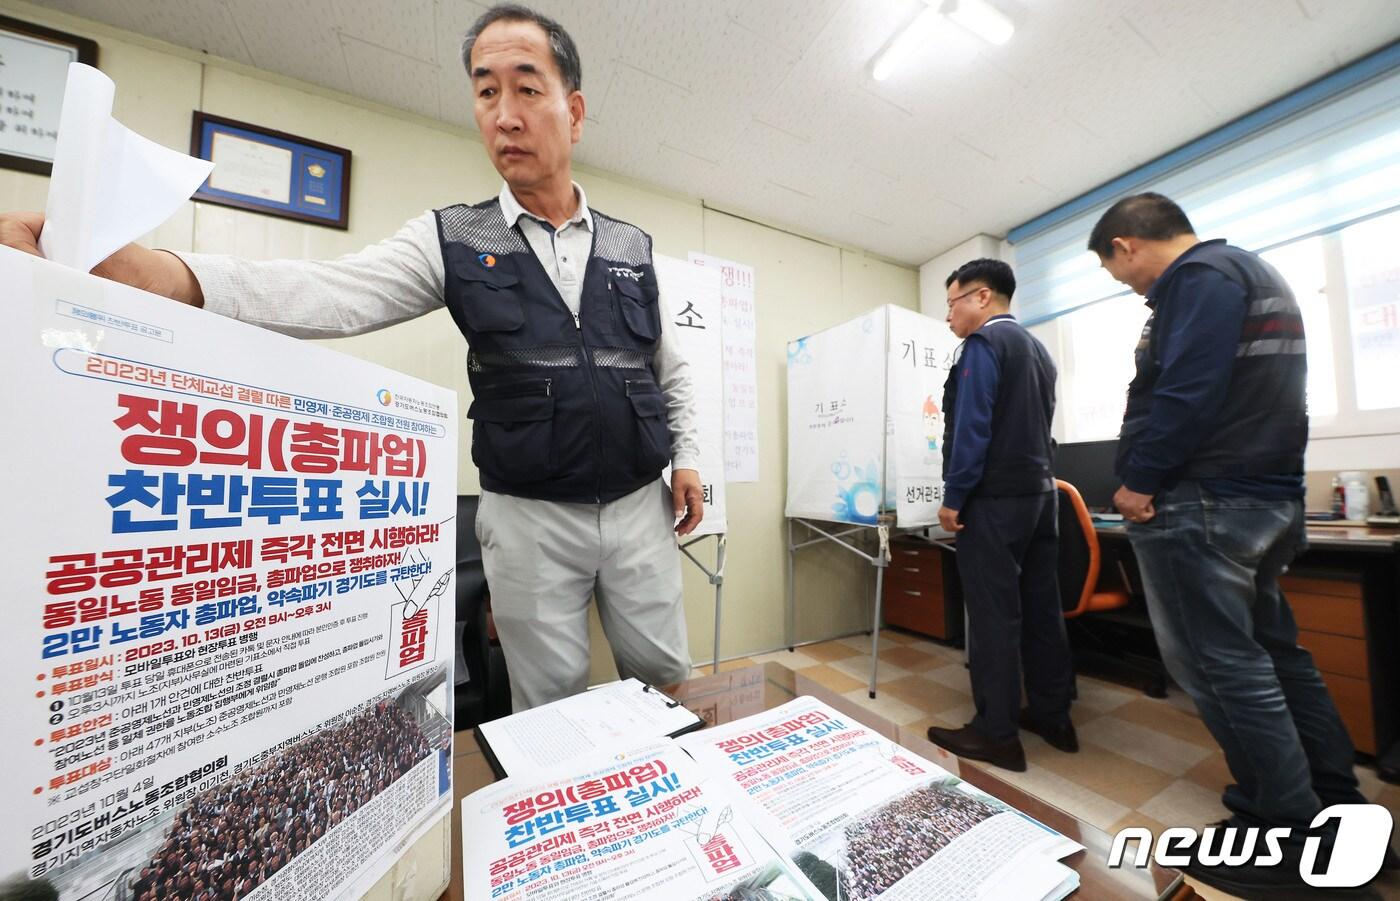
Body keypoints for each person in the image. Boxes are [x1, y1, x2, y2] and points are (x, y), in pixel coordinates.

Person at [0, 3, 702, 712]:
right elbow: (331, 291)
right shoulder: (453, 236)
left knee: (667, 672)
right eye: (486, 91)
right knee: (550, 704)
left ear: (574, 112)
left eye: (526, 87)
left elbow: (667, 369)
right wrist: (159, 272)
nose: (505, 114)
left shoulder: (630, 246)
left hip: (640, 501)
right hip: (528, 514)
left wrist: (691, 458)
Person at [1090, 192, 1395, 895]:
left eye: (1118, 271)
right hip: (1263, 495)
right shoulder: (1251, 273)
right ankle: (1337, 811)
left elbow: (1188, 389)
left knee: (1223, 667)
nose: (1129, 286)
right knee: (1276, 659)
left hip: (1203, 500)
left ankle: (1286, 836)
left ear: (1127, 245)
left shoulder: (1197, 280)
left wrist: (1138, 479)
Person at [925, 258, 1076, 772]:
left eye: (952, 303)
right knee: (1041, 610)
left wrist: (954, 495)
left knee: (992, 618)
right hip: (1040, 497)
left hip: (993, 501)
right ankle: (1055, 716)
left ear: (982, 297)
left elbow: (973, 428)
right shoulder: (1038, 350)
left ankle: (996, 734)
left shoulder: (983, 346)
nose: (948, 316)